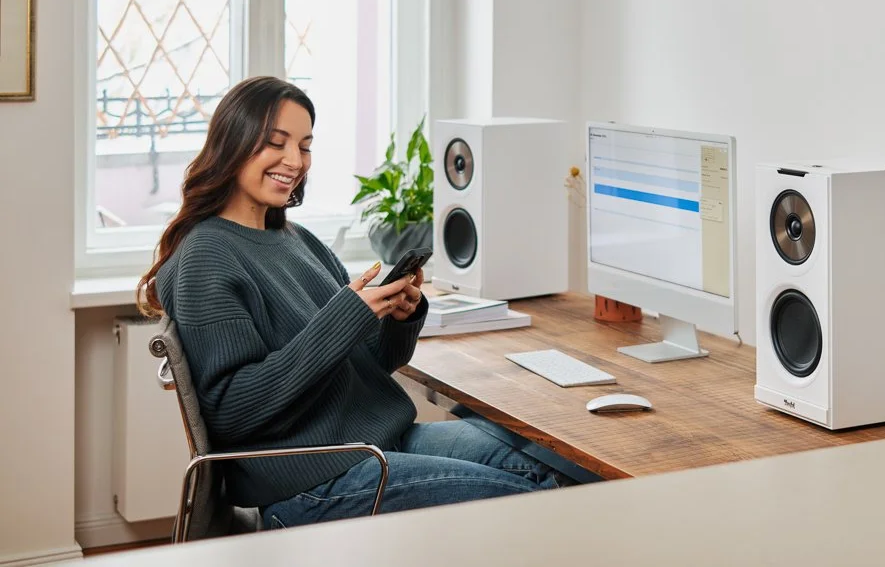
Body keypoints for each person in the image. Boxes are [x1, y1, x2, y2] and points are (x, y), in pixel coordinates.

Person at [137, 75, 569, 530]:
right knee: (541, 509)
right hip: (314, 482)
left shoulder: (294, 238)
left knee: (559, 468)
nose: (294, 161)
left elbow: (370, 365)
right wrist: (347, 316)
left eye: (304, 146)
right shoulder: (207, 256)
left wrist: (399, 317)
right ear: (234, 143)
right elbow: (233, 412)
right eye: (275, 143)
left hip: (379, 445)